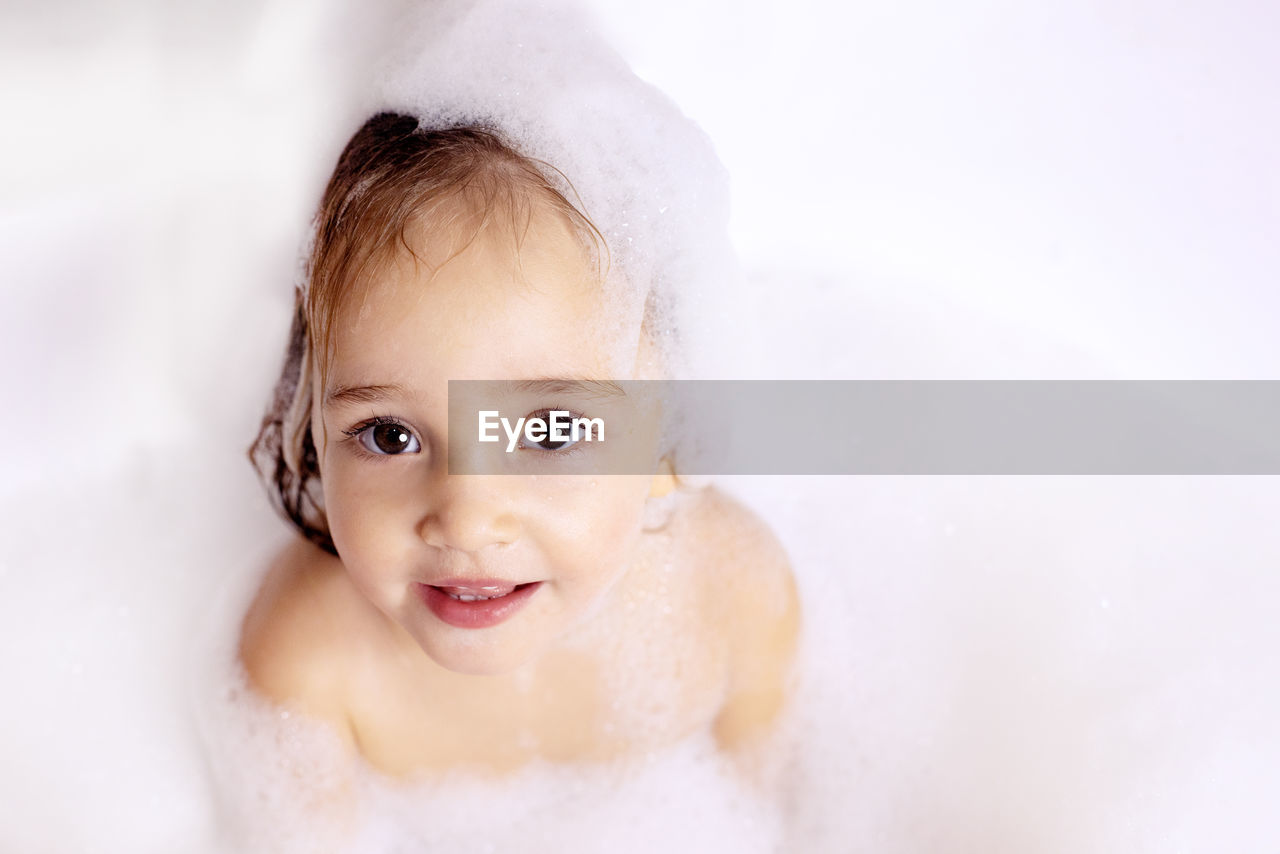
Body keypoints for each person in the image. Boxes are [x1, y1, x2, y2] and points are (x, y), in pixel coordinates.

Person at [238, 111, 800, 799]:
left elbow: (778, 808)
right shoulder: (307, 658)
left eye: (549, 432)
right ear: (315, 433)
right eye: (389, 435)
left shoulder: (732, 594)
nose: (467, 521)